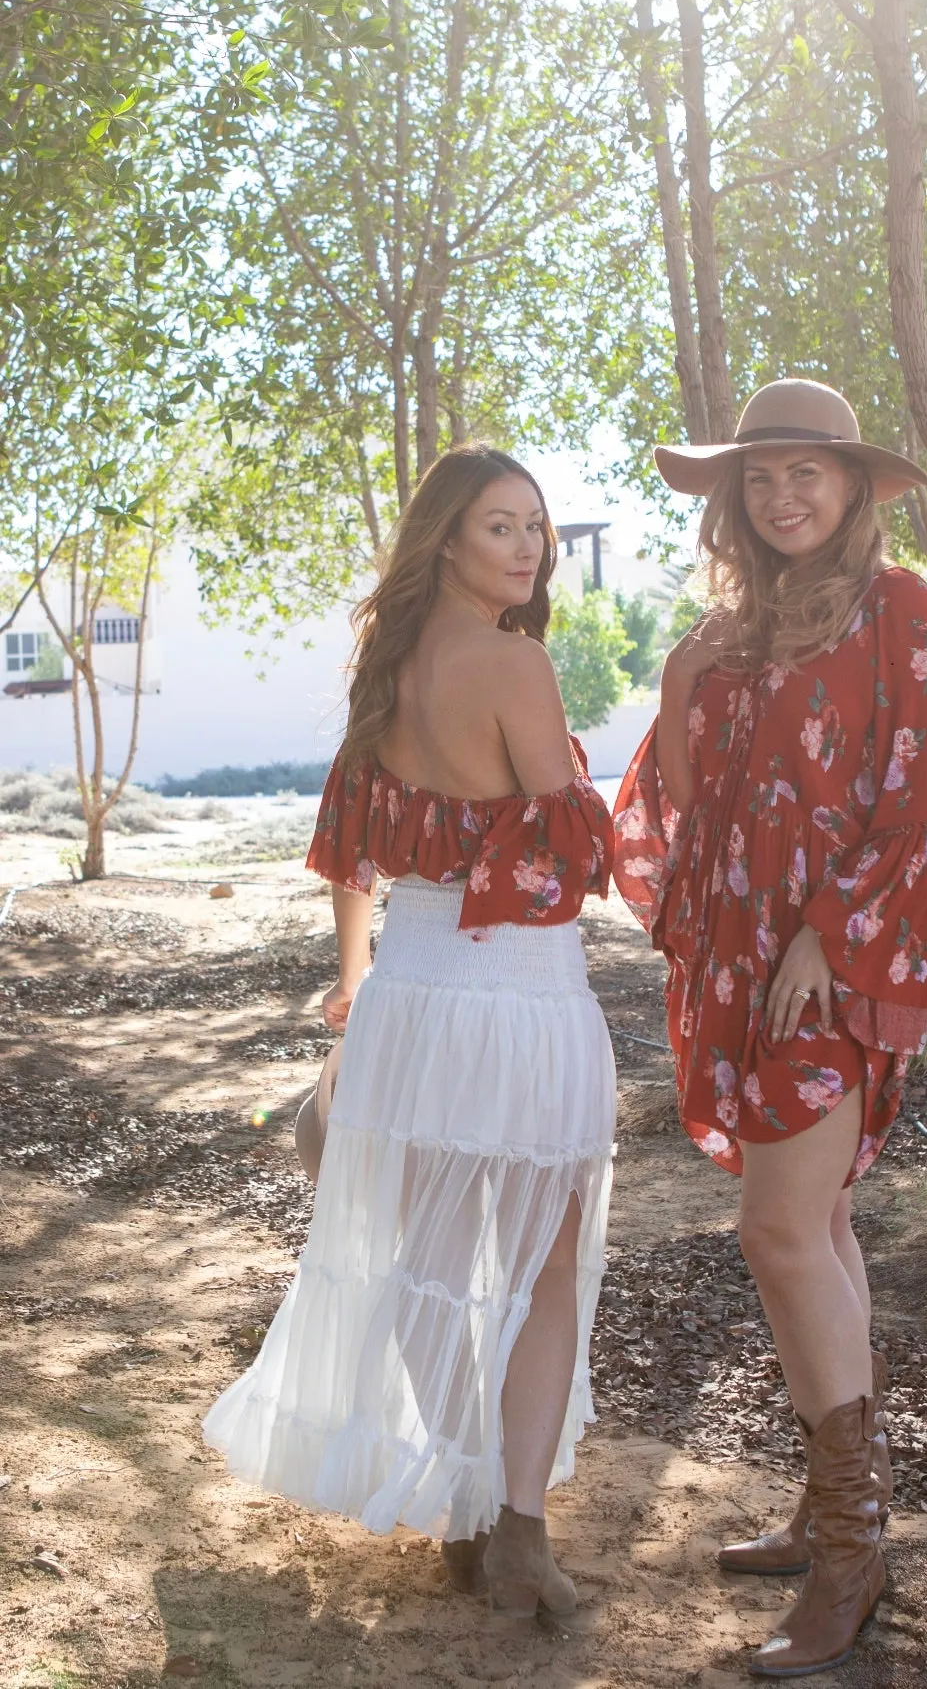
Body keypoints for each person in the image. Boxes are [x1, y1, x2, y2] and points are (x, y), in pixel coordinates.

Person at [204, 445, 617, 1621]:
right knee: (540, 1263)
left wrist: (353, 986)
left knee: (434, 1261)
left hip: (412, 988)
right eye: (503, 526)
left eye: (537, 525)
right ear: (447, 541)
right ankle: (520, 1529)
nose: (530, 546)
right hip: (518, 991)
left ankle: (468, 1505)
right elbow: (570, 848)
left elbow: (352, 853)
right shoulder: (515, 664)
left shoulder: (385, 675)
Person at [613, 380, 927, 1677]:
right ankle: (831, 1505)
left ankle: (850, 1547)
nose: (782, 496)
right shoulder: (729, 633)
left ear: (852, 486)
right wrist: (674, 678)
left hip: (833, 963)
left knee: (774, 1227)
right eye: (759, 477)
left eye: (805, 473)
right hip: (747, 962)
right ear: (735, 497)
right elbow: (686, 805)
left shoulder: (900, 614)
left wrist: (832, 931)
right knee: (816, 1227)